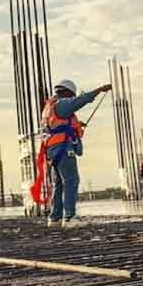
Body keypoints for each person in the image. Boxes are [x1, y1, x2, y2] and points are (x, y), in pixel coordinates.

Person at [41, 79, 111, 228]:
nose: (72, 98)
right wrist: (100, 89)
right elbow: (81, 100)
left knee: (59, 184)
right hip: (63, 149)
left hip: (52, 150)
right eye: (71, 95)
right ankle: (70, 217)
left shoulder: (49, 107)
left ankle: (55, 218)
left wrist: (77, 126)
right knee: (71, 181)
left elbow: (58, 125)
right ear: (66, 92)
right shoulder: (63, 104)